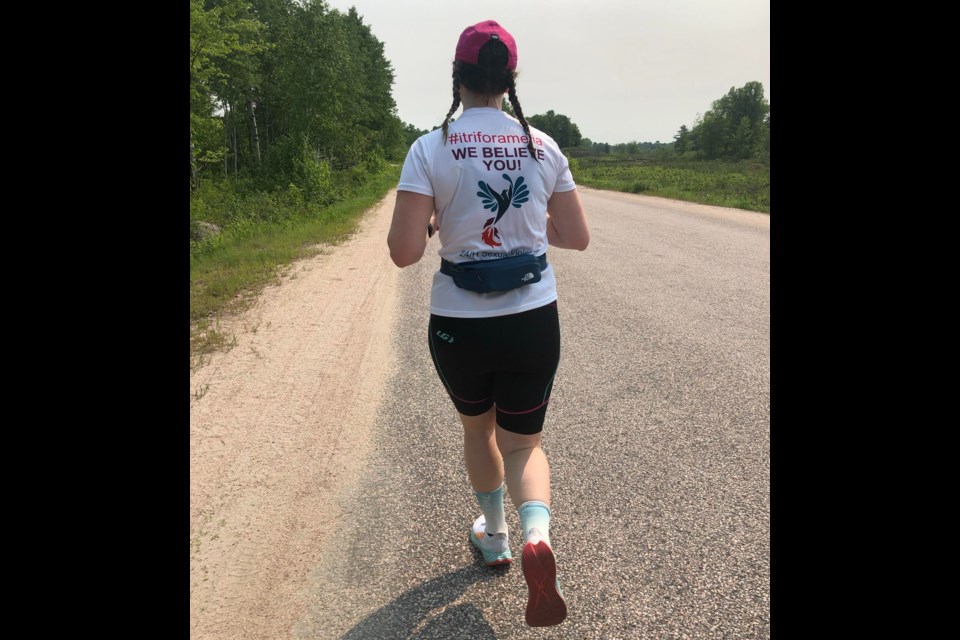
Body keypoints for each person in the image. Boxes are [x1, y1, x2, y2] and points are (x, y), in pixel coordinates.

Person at [387, 19, 589, 628]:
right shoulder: (542, 145)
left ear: (458, 77)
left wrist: (433, 226)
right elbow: (576, 237)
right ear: (511, 81)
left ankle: (495, 538)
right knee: (524, 441)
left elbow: (403, 253)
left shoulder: (431, 147)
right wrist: (535, 233)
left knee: (480, 431)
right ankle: (538, 535)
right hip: (533, 318)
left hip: (460, 324)